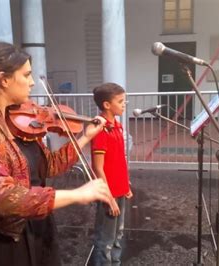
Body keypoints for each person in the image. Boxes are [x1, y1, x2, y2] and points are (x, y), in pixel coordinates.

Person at [0, 41, 114, 266]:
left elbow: (49, 165)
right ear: (4, 79)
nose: (31, 83)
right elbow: (3, 197)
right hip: (3, 241)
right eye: (26, 75)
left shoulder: (18, 120)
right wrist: (77, 194)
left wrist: (85, 136)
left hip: (38, 225)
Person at [89, 83, 133, 266]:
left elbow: (119, 161)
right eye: (121, 101)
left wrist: (126, 185)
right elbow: (98, 168)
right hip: (108, 192)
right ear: (107, 105)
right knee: (105, 239)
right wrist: (109, 198)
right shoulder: (100, 129)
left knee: (118, 234)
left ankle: (115, 263)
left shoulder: (117, 126)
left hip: (120, 189)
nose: (125, 104)